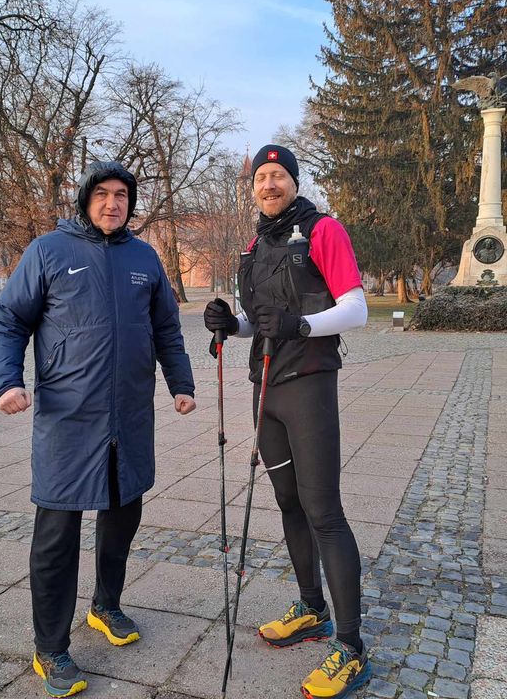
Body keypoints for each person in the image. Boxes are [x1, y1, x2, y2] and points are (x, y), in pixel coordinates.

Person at [0, 161, 196, 698]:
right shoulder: (49, 251)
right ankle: (51, 647)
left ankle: (106, 605)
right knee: (56, 533)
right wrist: (6, 381)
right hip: (68, 418)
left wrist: (181, 383)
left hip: (129, 417)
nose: (112, 203)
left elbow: (166, 328)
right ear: (85, 200)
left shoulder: (144, 258)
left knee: (122, 512)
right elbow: (10, 319)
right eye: (102, 194)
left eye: (122, 195)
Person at [204, 145, 370, 699]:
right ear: (251, 187)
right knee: (288, 502)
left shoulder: (322, 230)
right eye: (260, 177)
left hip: (310, 385)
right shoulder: (255, 244)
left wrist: (299, 324)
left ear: (293, 182)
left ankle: (349, 646)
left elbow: (355, 308)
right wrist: (233, 324)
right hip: (265, 389)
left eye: (277, 175)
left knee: (323, 510)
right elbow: (263, 321)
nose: (268, 184)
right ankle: (313, 608)